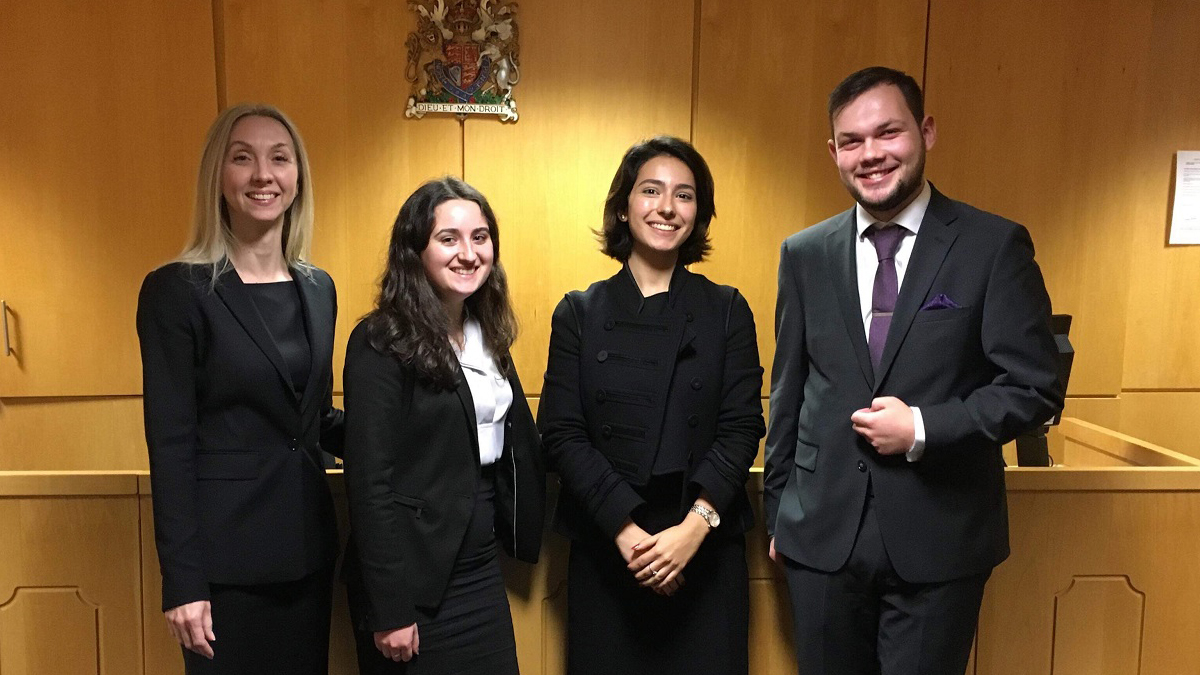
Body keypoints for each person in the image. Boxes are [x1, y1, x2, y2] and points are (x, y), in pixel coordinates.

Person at [764, 66, 1065, 675]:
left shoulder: (992, 246)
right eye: (851, 141)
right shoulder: (804, 254)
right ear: (833, 153)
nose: (870, 154)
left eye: (888, 132)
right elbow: (789, 392)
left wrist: (923, 427)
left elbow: (1035, 388)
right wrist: (779, 516)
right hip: (820, 539)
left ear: (926, 132)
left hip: (940, 539)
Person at [538, 136, 765, 675]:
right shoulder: (579, 312)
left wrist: (693, 530)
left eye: (684, 195)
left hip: (704, 548)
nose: (667, 207)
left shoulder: (727, 309)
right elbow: (562, 433)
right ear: (624, 206)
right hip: (610, 545)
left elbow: (741, 427)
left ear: (698, 214)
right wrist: (629, 536)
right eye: (651, 191)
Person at [137, 103, 344, 674]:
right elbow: (171, 446)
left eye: (279, 158)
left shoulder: (319, 288)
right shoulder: (177, 291)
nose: (263, 175)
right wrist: (183, 581)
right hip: (223, 570)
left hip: (307, 555)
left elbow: (314, 419)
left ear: (297, 177)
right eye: (243, 158)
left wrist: (408, 433)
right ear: (218, 175)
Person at [341, 177, 545, 675]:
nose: (468, 254)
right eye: (448, 239)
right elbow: (369, 483)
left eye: (480, 237)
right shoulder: (380, 339)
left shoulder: (487, 334)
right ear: (416, 251)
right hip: (411, 585)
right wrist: (390, 608)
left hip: (479, 569)